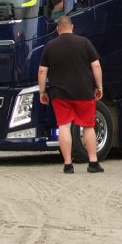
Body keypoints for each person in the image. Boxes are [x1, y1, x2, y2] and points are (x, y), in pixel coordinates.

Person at [38, 15, 104, 174]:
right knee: (88, 127)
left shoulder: (50, 46)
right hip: (84, 92)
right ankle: (93, 163)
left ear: (57, 29)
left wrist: (42, 92)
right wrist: (99, 87)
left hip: (60, 94)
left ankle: (68, 164)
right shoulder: (84, 42)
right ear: (72, 27)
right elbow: (96, 66)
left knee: (64, 126)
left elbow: (42, 70)